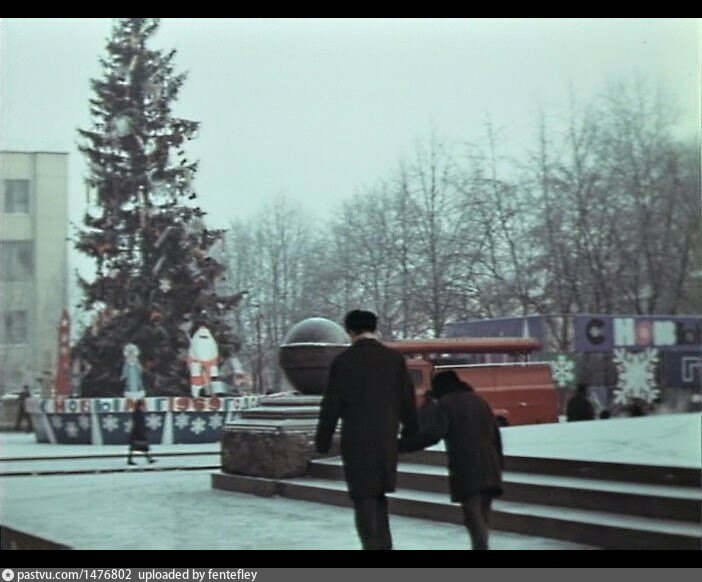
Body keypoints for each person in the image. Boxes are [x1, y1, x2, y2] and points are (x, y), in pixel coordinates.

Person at [315, 310, 419, 550]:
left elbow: (331, 405)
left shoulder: (343, 361)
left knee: (363, 498)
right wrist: (411, 430)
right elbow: (407, 398)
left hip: (356, 440)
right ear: (375, 328)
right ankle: (384, 546)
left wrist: (323, 440)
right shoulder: (394, 359)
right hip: (385, 438)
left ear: (350, 331)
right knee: (379, 495)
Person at [399, 370, 503, 550]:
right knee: (483, 512)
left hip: (466, 465)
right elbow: (496, 435)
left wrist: (400, 446)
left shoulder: (446, 404)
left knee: (472, 514)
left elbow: (433, 434)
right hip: (490, 463)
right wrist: (499, 464)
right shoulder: (479, 401)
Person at [127, 399, 156, 465]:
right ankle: (148, 459)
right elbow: (139, 423)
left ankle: (149, 459)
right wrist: (143, 430)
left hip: (136, 432)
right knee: (140, 446)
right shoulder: (138, 413)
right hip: (138, 432)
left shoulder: (136, 413)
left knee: (138, 447)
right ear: (140, 406)